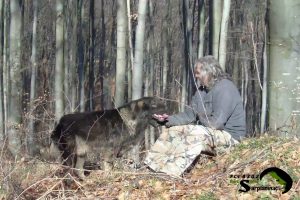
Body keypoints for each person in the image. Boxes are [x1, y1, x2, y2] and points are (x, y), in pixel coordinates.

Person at [144, 55, 246, 177]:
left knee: (194, 131)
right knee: (173, 130)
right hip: (208, 132)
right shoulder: (201, 91)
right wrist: (166, 120)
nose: (196, 76)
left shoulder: (226, 88)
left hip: (230, 138)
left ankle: (170, 173)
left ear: (210, 71)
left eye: (198, 73)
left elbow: (215, 123)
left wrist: (199, 115)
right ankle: (152, 166)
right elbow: (189, 114)